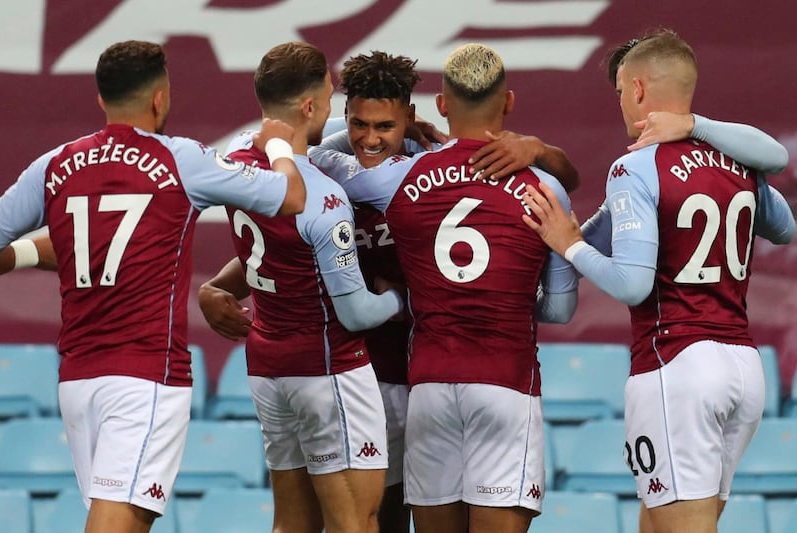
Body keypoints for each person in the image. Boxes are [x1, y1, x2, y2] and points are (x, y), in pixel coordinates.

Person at [0, 40, 307, 533]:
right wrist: (277, 145)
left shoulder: (53, 166)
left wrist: (24, 253)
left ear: (101, 99)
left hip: (77, 381)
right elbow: (290, 196)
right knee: (117, 523)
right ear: (160, 98)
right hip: (145, 375)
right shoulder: (180, 159)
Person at [522, 29, 796, 533]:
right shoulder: (737, 158)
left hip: (677, 365)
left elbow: (632, 285)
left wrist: (570, 247)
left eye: (621, 91)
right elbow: (784, 227)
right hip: (741, 366)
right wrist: (583, 232)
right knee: (660, 522)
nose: (621, 102)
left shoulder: (635, 166)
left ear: (640, 89)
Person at [322, 43, 578, 533]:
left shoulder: (396, 177)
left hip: (431, 386)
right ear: (508, 104)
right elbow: (561, 311)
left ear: (441, 105)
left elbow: (310, 159)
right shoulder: (543, 187)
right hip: (506, 382)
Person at [198, 41, 405, 533]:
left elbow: (302, 148)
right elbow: (356, 314)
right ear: (310, 105)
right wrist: (403, 296)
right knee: (356, 522)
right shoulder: (324, 197)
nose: (335, 112)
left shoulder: (236, 159)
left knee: (291, 524)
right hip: (328, 366)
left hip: (267, 367)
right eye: (331, 101)